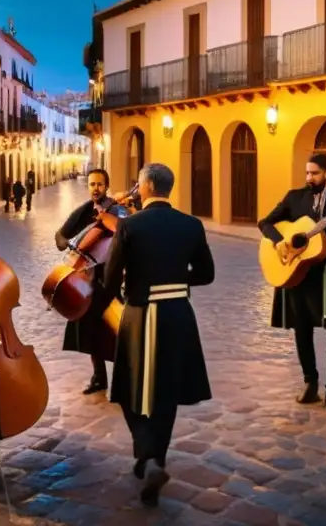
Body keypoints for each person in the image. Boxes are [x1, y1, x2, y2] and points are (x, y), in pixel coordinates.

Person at [103, 163, 215, 505]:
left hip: (140, 314)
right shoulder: (192, 225)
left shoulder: (129, 225)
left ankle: (147, 453)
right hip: (179, 314)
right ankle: (156, 458)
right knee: (166, 391)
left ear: (148, 185)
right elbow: (207, 274)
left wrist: (132, 284)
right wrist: (176, 281)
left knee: (128, 387)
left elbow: (110, 281)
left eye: (139, 183)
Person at [257, 153, 326, 418]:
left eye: (314, 173)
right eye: (307, 173)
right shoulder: (294, 198)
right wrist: (281, 240)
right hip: (298, 273)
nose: (309, 178)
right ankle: (310, 383)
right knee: (301, 328)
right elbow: (265, 222)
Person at [54, 167, 117, 394]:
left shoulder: (118, 209)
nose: (96, 189)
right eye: (92, 184)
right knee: (91, 328)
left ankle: (123, 379)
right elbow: (60, 235)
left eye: (100, 184)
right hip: (88, 277)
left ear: (107, 186)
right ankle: (99, 377)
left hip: (113, 276)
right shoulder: (84, 211)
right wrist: (67, 243)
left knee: (118, 327)